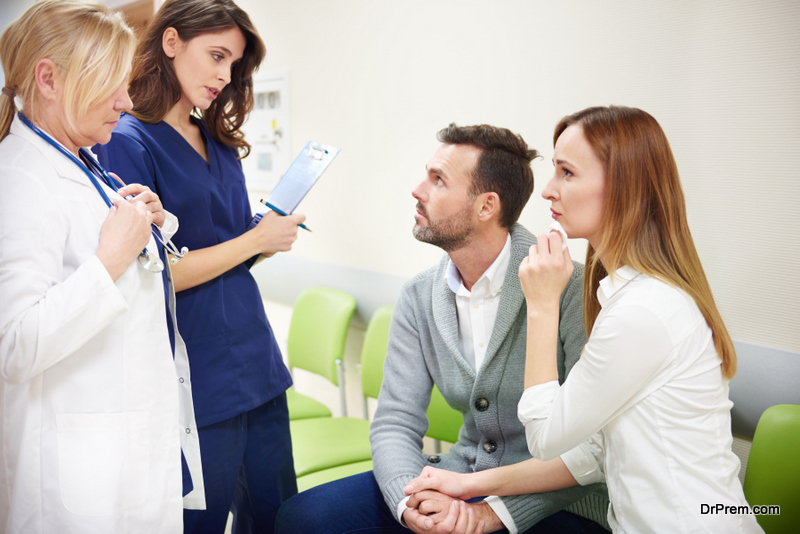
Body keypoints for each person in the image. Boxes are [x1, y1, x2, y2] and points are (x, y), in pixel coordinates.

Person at [406, 106, 762, 533]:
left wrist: (540, 304)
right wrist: (468, 484)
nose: (548, 191)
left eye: (567, 173)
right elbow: (591, 450)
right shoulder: (624, 296)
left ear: (622, 188)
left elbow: (546, 436)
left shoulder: (643, 312)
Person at [274, 124, 610, 534]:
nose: (418, 190)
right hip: (459, 480)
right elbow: (395, 421)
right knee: (302, 518)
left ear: (487, 206)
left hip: (559, 501)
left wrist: (491, 515)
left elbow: (590, 447)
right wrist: (407, 500)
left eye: (438, 180)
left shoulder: (569, 287)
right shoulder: (419, 296)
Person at [94, 1, 303, 532]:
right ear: (170, 43)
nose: (224, 75)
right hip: (196, 381)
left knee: (278, 518)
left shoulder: (219, 142)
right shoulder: (126, 141)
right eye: (216, 55)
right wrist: (252, 240)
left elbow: (229, 249)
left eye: (233, 64)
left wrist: (265, 237)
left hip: (257, 365)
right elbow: (154, 274)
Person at [0, 1, 203, 532]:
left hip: (126, 447)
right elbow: (14, 346)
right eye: (111, 84)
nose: (126, 100)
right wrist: (109, 260)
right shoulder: (20, 178)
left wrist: (156, 226)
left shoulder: (81, 160)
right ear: (48, 78)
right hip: (78, 475)